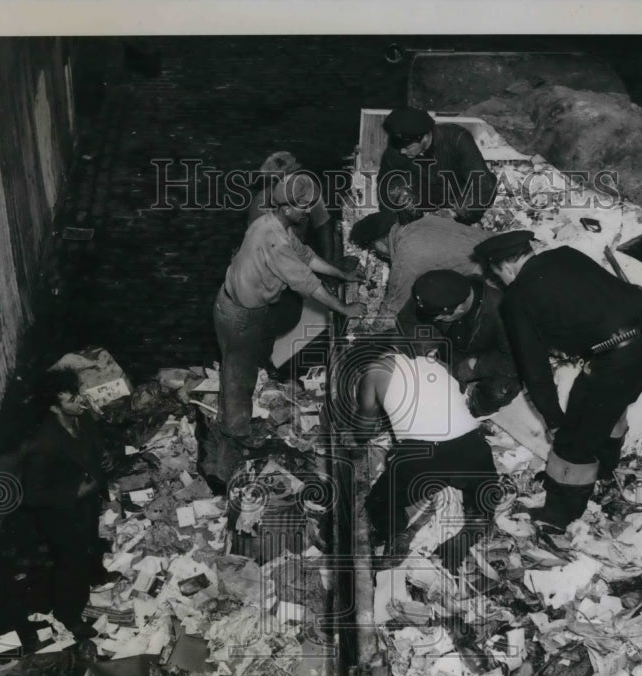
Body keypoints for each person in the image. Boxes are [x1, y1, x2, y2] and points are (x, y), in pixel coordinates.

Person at [474, 230, 642, 530]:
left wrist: (554, 421)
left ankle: (560, 515)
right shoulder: (567, 254)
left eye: (499, 277)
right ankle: (606, 467)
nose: (503, 284)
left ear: (505, 268)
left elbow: (535, 370)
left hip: (620, 355)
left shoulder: (517, 297)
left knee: (572, 441)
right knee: (606, 403)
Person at [206, 174, 364, 484]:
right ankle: (231, 450)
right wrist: (345, 308)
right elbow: (307, 283)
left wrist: (342, 275)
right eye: (303, 208)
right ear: (288, 207)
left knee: (241, 371)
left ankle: (235, 424)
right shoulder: (274, 239)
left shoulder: (273, 224)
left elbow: (307, 258)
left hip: (243, 309)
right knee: (239, 378)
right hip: (239, 316)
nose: (307, 213)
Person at [352, 340, 499, 574]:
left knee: (379, 502)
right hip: (472, 445)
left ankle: (395, 533)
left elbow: (362, 432)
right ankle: (476, 522)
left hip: (422, 458)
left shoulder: (373, 372)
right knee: (483, 490)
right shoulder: (435, 362)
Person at [21, 368, 113, 638]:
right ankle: (69, 616)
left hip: (86, 505)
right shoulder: (44, 443)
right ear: (53, 408)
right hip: (60, 513)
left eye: (77, 395)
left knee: (91, 542)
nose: (80, 402)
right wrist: (76, 492)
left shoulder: (81, 417)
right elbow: (33, 494)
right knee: (70, 563)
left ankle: (96, 575)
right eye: (71, 400)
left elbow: (94, 440)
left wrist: (104, 454)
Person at [398, 269, 520, 417]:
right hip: (444, 348)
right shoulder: (433, 291)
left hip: (480, 357)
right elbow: (407, 319)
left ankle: (470, 411)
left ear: (460, 308)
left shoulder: (504, 312)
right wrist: (427, 352)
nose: (436, 320)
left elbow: (517, 360)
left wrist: (474, 366)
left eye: (440, 318)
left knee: (502, 390)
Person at [247, 152, 337, 338]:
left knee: (290, 315)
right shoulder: (261, 206)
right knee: (276, 317)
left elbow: (323, 225)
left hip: (294, 254)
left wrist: (329, 265)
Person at [348, 208, 489, 323]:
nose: (377, 254)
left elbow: (393, 307)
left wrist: (373, 335)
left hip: (490, 277)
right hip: (497, 246)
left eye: (374, 249)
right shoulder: (422, 221)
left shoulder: (405, 257)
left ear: (379, 243)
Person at [377, 106, 497, 225]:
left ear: (425, 137)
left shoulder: (456, 138)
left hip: (458, 200)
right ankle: (413, 228)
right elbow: (384, 188)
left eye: (407, 147)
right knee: (395, 186)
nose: (402, 152)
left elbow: (483, 183)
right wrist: (389, 224)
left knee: (487, 181)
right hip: (425, 200)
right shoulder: (396, 151)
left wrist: (453, 213)